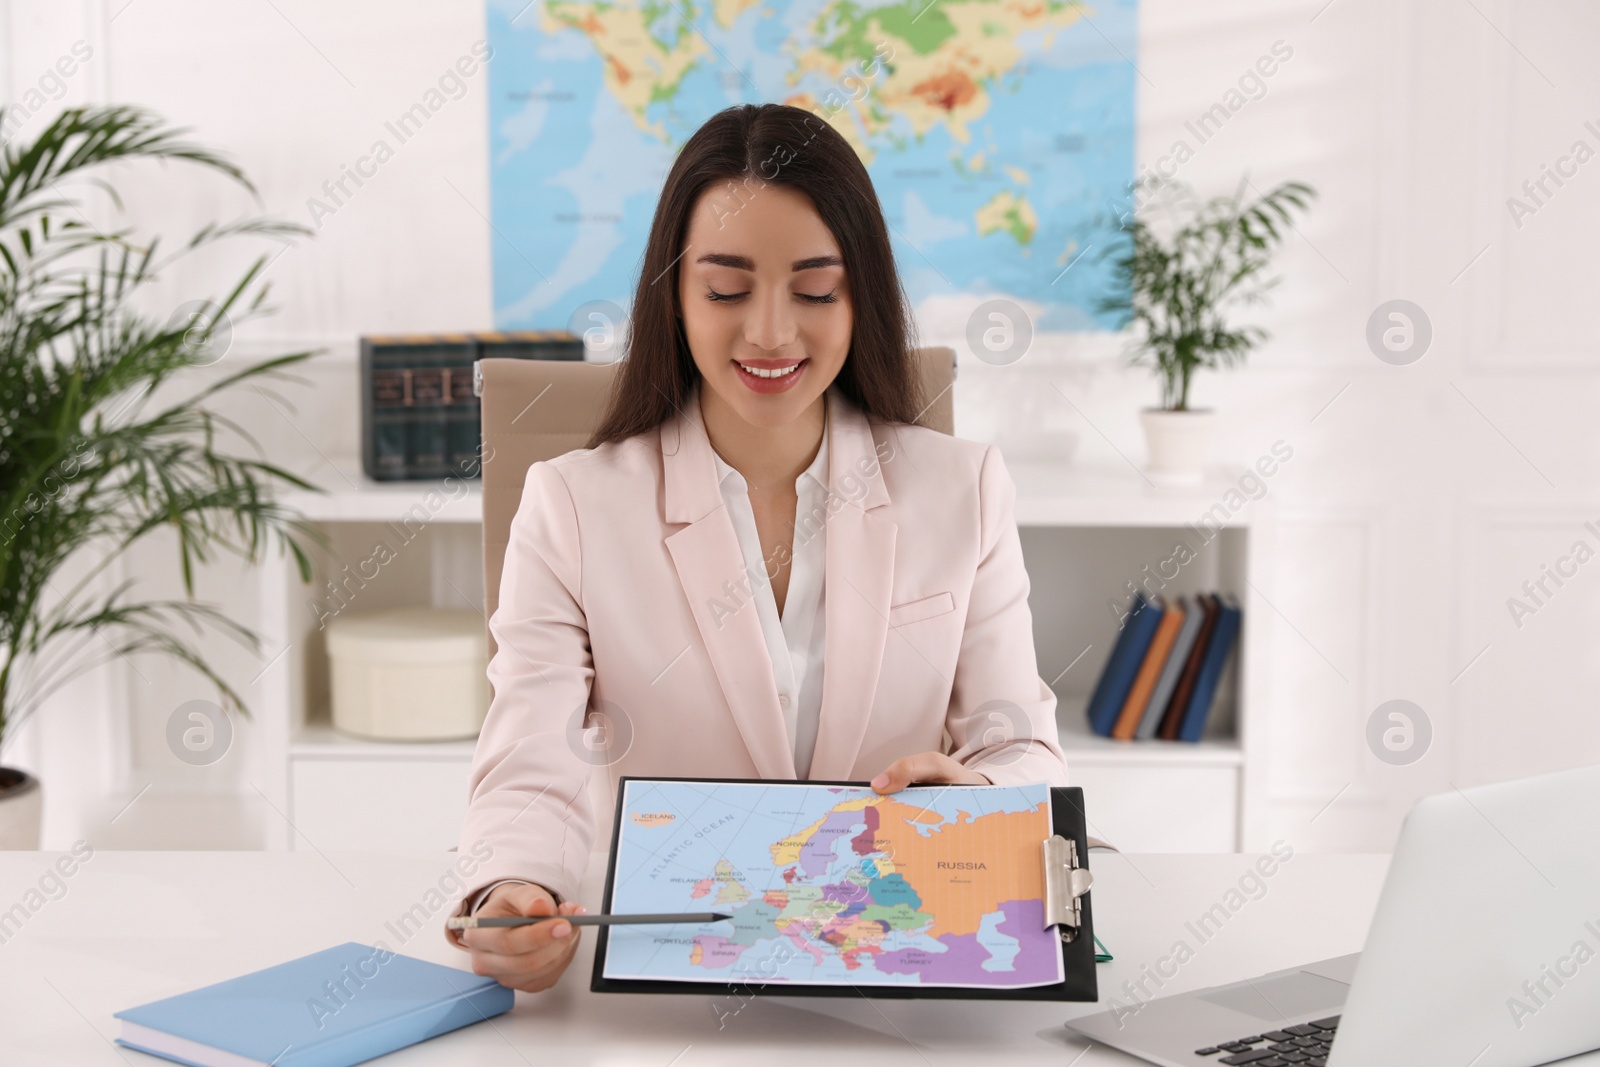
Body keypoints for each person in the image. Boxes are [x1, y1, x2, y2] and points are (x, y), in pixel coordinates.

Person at [447, 102, 1069, 991]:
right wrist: (514, 885)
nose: (772, 332)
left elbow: (1022, 746)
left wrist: (974, 800)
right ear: (674, 292)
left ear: (862, 295)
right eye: (727, 289)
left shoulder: (963, 490)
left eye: (816, 290)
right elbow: (529, 761)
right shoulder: (572, 505)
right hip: (668, 982)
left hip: (899, 973)